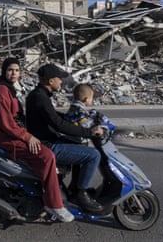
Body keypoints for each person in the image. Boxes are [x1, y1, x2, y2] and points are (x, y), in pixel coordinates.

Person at [0, 57, 74, 222]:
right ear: (4, 71)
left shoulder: (9, 88)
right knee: (47, 157)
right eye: (10, 70)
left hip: (14, 133)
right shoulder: (1, 90)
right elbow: (6, 123)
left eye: (17, 70)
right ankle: (53, 204)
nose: (14, 73)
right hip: (8, 137)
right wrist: (27, 136)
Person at [25, 63, 104, 212]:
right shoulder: (40, 98)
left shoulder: (39, 95)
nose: (61, 82)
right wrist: (88, 132)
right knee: (94, 155)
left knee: (81, 147)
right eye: (59, 79)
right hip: (47, 145)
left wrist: (70, 119)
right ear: (51, 81)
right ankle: (81, 194)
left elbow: (53, 117)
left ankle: (74, 189)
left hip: (48, 140)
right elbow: (58, 125)